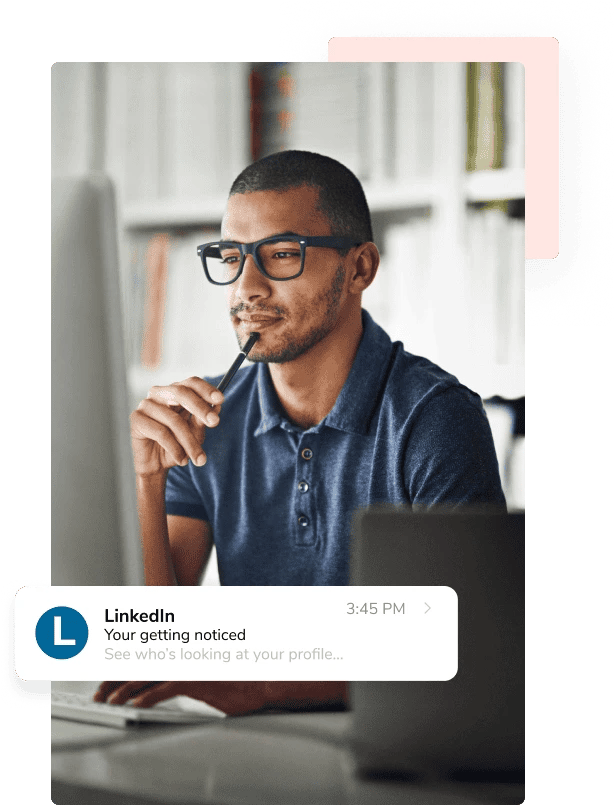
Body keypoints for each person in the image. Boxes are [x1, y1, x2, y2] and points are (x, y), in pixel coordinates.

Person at [95, 150, 505, 714]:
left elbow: (466, 652)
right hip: (244, 748)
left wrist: (261, 686)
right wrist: (143, 479)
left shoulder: (434, 418)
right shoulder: (203, 421)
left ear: (360, 268)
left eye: (282, 255)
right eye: (231, 258)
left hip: (386, 751)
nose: (247, 289)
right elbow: (155, 645)